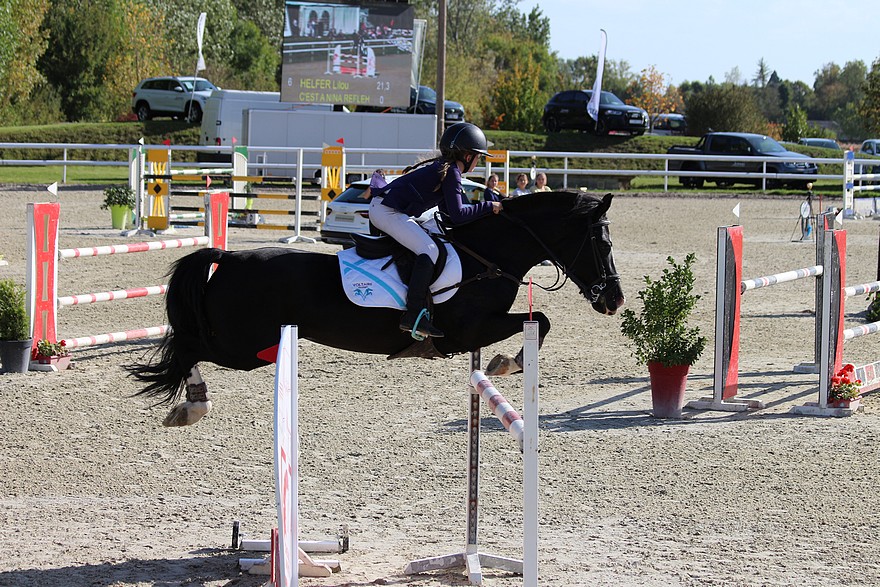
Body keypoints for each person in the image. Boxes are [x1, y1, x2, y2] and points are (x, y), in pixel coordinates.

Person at [369, 122, 503, 338]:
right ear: (467, 155)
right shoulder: (451, 172)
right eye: (478, 156)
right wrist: (489, 206)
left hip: (387, 209)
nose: (479, 161)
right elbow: (459, 215)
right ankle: (413, 314)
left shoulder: (446, 169)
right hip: (386, 211)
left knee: (432, 243)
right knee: (430, 249)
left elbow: (450, 215)